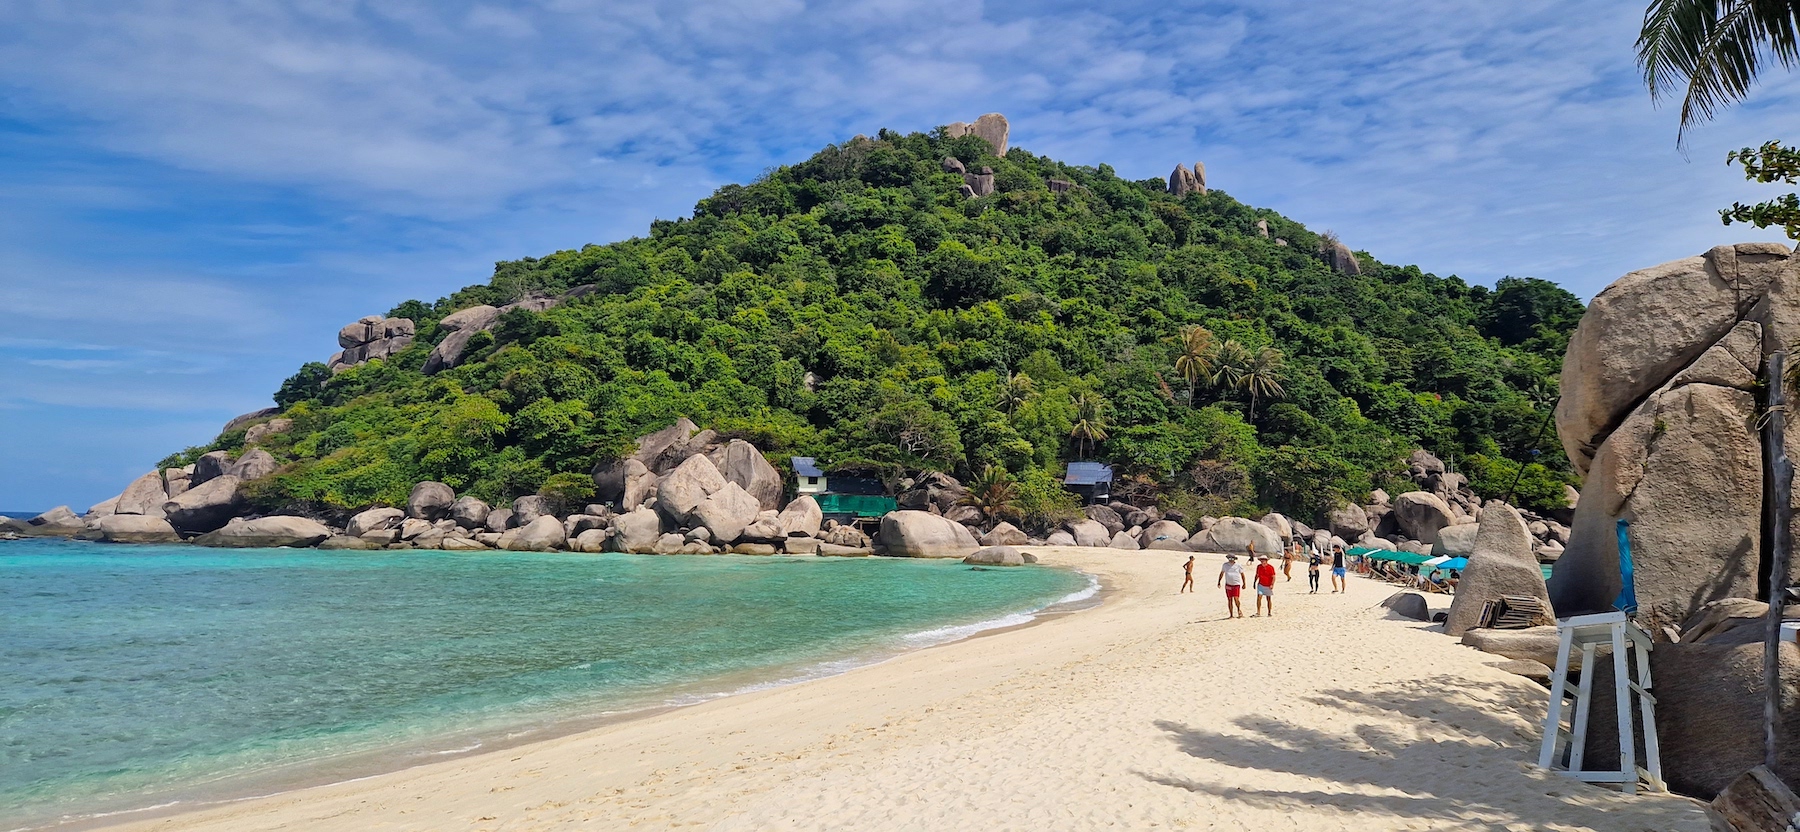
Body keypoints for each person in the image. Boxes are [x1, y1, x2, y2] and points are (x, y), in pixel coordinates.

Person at [1218, 553, 1246, 619]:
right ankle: (1231, 614)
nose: (1231, 560)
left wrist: (1244, 583)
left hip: (1236, 584)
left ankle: (1239, 610)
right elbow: (1222, 573)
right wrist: (1219, 581)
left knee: (1236, 598)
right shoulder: (1225, 565)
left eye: (1232, 558)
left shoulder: (1238, 565)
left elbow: (1242, 574)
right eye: (1229, 558)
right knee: (1229, 599)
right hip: (1228, 584)